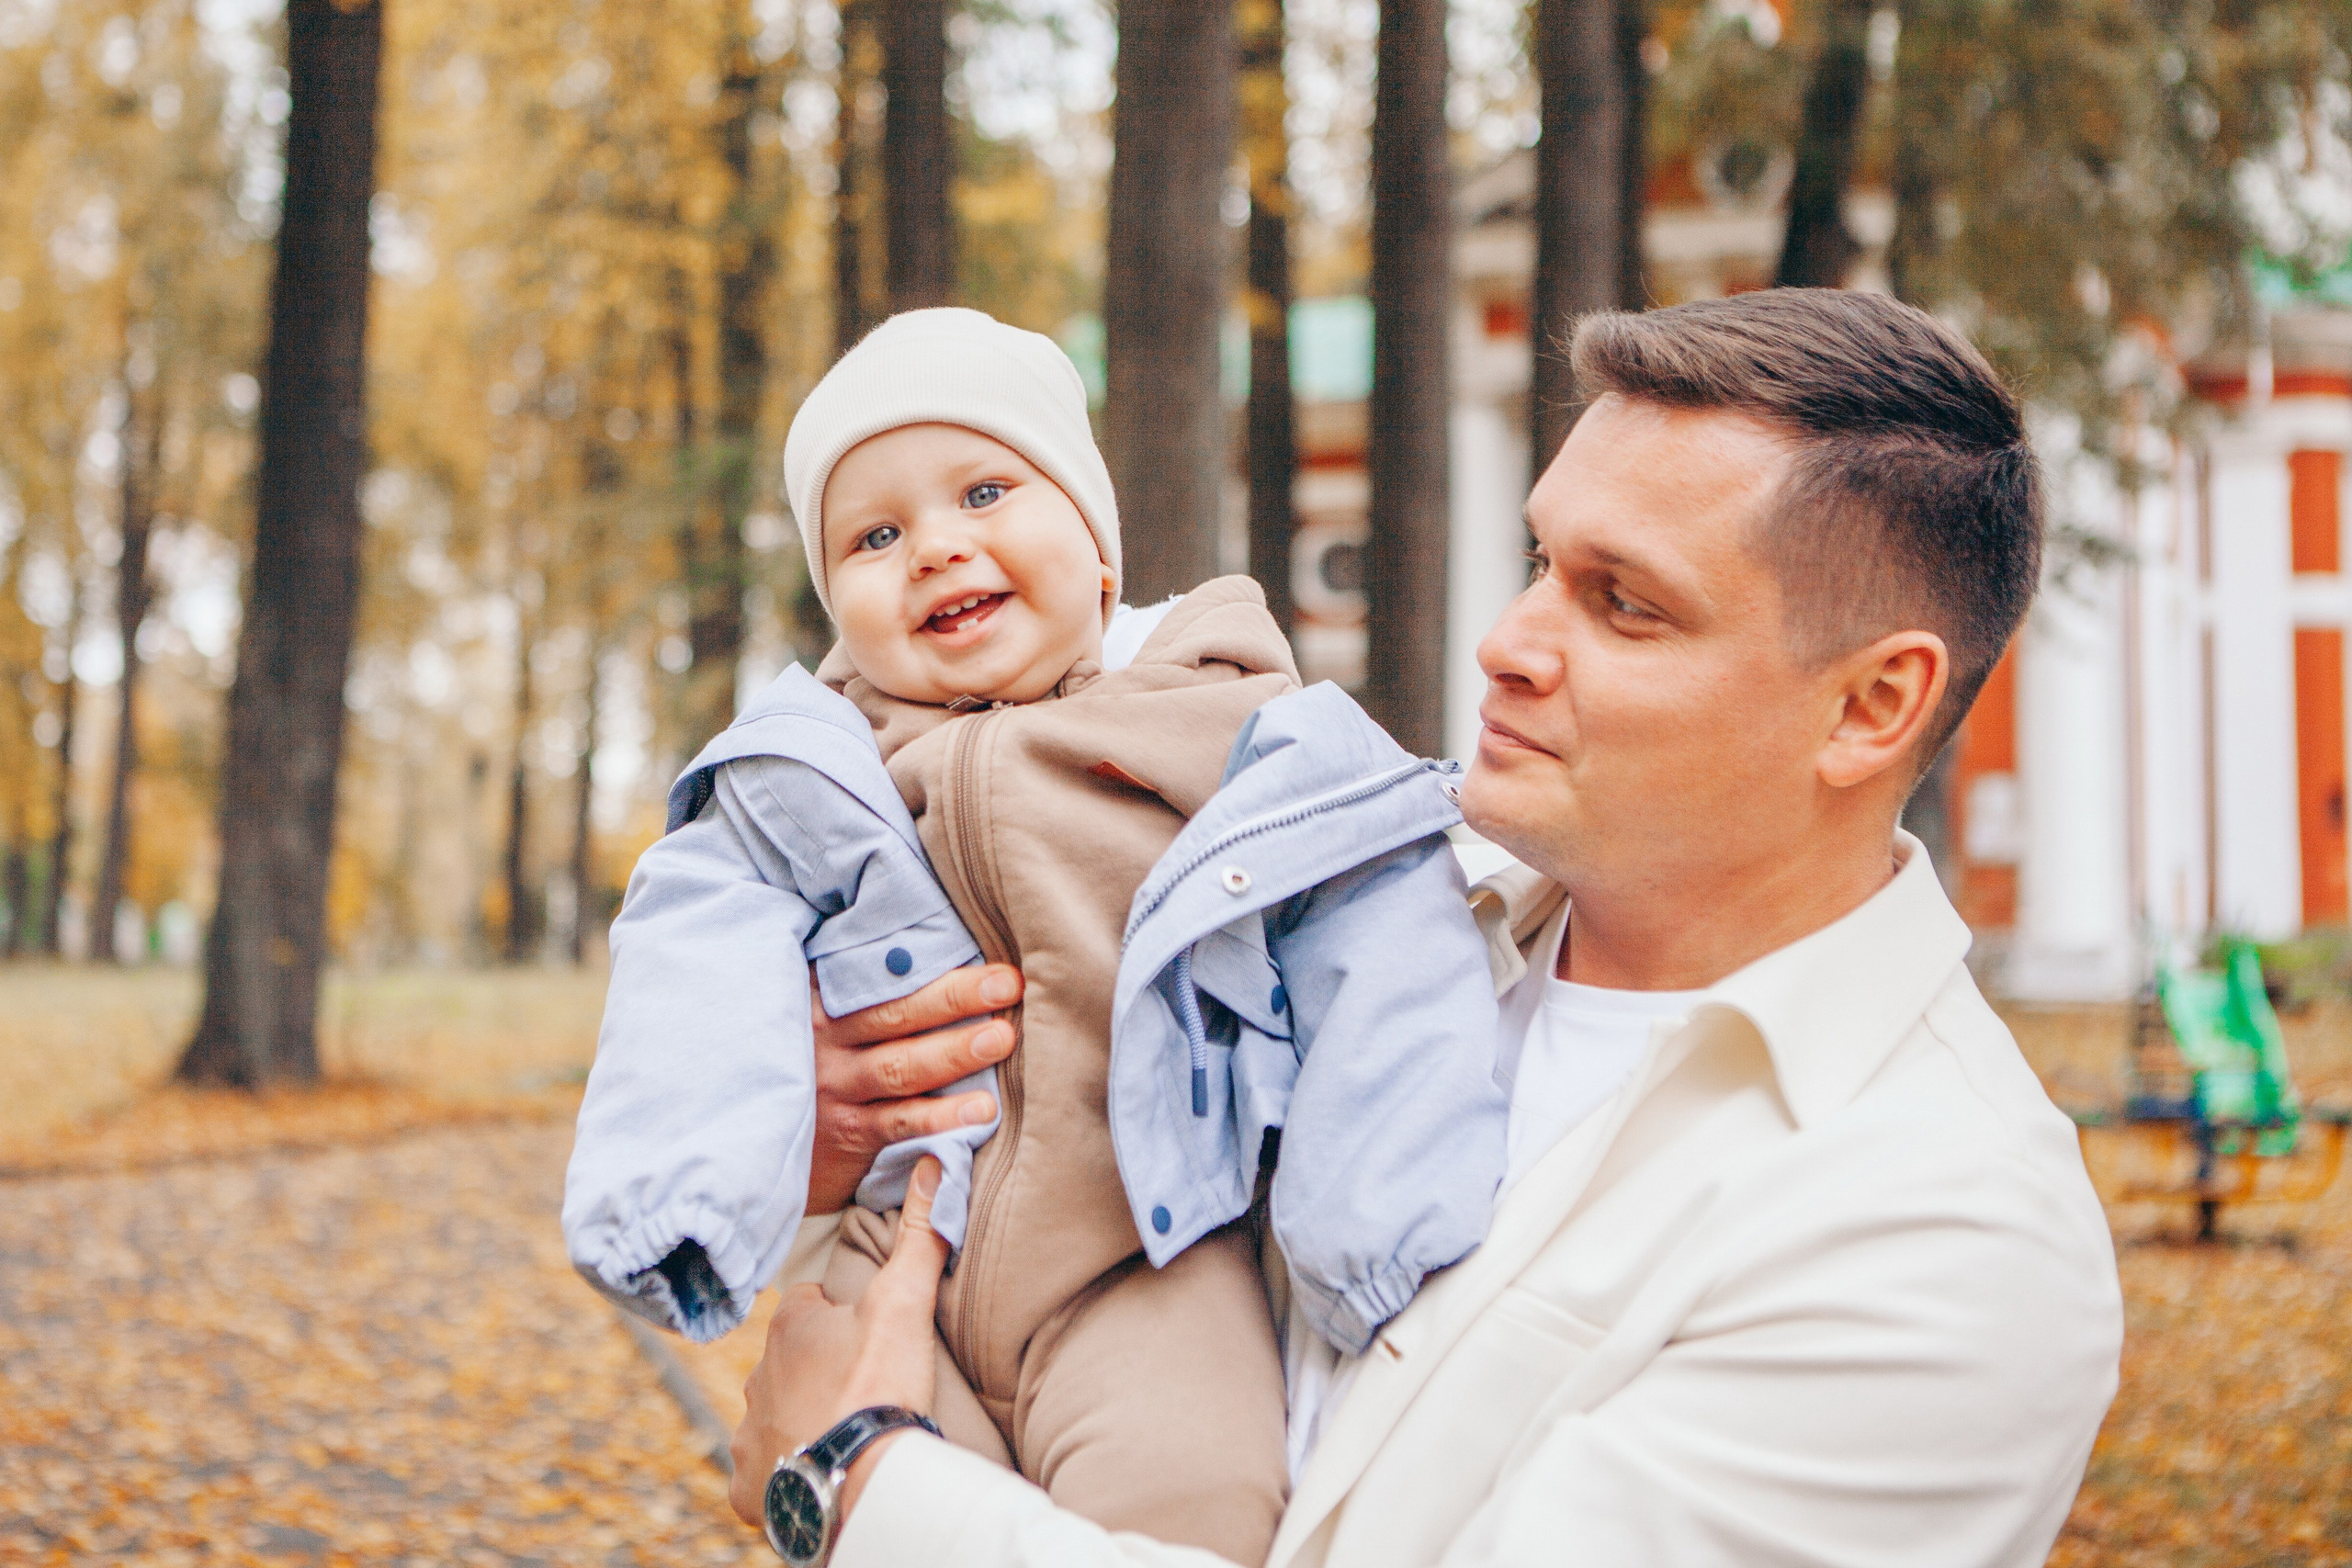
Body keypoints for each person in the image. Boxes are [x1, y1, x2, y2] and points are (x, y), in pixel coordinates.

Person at [728, 289, 2127, 1568]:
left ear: (1871, 706)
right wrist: (832, 1139)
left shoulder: (1948, 1241)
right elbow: (1004, 1219)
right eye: (1541, 561)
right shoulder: (1323, 894)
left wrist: (862, 1491)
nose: (1507, 642)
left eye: (1625, 605)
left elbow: (843, 1421)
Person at [564, 309, 1511, 1565]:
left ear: (1099, 549)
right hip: (898, 1254)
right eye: (875, 536)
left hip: (1143, 1258)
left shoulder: (1226, 723)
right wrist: (681, 1195)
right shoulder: (809, 773)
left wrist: (1377, 1225)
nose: (935, 547)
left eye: (985, 492)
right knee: (881, 1524)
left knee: (1198, 1496)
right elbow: (694, 958)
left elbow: (1375, 912)